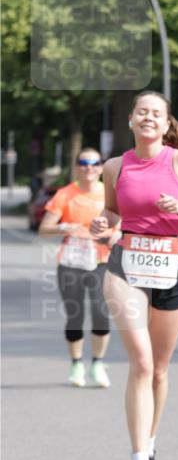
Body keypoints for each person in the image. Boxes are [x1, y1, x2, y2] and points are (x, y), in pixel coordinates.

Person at [90, 92, 178, 460]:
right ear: (131, 120)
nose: (148, 118)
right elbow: (112, 212)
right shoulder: (114, 166)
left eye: (156, 114)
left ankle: (151, 440)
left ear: (165, 124)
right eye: (142, 112)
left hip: (172, 264)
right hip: (127, 263)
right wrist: (102, 223)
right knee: (141, 363)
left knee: (159, 369)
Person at [39, 148, 112, 388]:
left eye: (94, 163)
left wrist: (109, 235)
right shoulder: (65, 194)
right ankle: (77, 363)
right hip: (71, 262)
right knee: (75, 314)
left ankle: (98, 363)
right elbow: (44, 228)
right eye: (84, 162)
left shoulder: (110, 193)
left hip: (101, 261)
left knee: (101, 312)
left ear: (101, 167)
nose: (89, 167)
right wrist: (64, 227)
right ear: (77, 167)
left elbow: (123, 225)